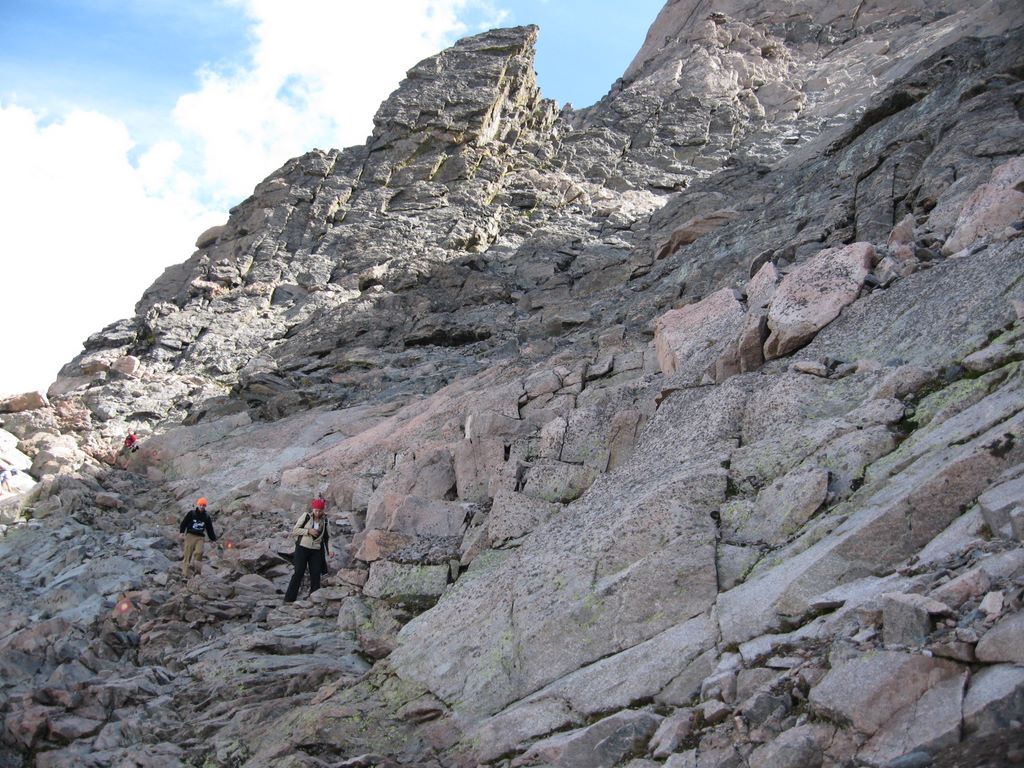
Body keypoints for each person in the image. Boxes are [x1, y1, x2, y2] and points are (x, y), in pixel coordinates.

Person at [283, 496, 332, 603]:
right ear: (313, 509)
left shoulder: (325, 521)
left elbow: (327, 537)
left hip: (316, 550)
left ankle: (314, 598)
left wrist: (330, 550)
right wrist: (308, 531)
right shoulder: (306, 516)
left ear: (323, 510)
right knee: (298, 572)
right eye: (316, 510)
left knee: (316, 573)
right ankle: (289, 598)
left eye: (320, 511)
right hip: (302, 548)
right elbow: (295, 530)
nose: (317, 513)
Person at [178, 497, 218, 578]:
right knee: (187, 554)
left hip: (200, 537)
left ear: (205, 506)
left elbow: (209, 529)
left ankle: (197, 573)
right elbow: (184, 523)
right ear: (197, 505)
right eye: (200, 505)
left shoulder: (206, 516)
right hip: (190, 536)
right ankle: (184, 574)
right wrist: (182, 532)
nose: (202, 507)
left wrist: (213, 540)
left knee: (199, 552)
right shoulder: (191, 513)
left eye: (203, 505)